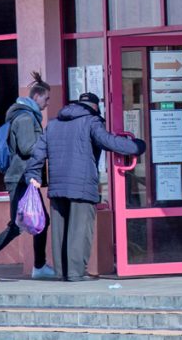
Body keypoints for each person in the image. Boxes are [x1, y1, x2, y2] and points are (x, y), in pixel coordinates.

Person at [23, 92, 145, 281]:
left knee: (60, 231)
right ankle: (75, 273)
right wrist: (136, 146)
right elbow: (109, 141)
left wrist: (33, 175)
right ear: (95, 107)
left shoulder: (53, 124)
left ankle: (62, 272)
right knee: (80, 230)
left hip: (57, 186)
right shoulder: (91, 121)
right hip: (82, 185)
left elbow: (38, 152)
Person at [0, 72, 55, 283]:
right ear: (37, 96)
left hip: (24, 178)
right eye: (46, 99)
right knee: (17, 224)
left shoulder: (27, 116)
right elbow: (27, 148)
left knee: (42, 221)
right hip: (20, 178)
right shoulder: (25, 118)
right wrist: (47, 145)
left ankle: (39, 266)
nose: (47, 104)